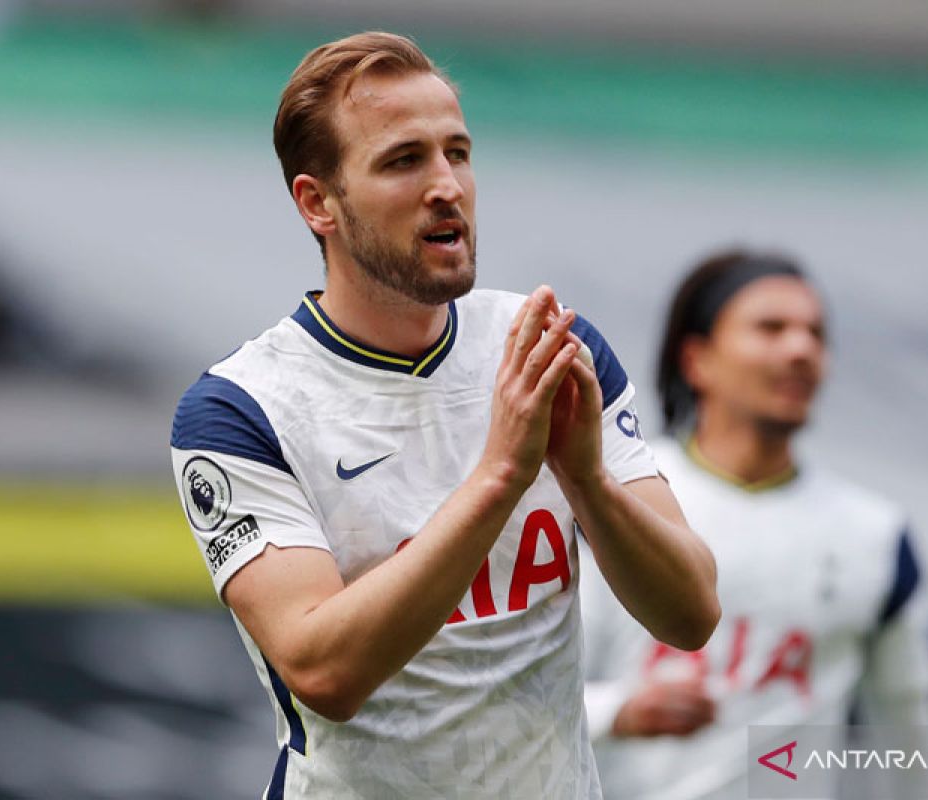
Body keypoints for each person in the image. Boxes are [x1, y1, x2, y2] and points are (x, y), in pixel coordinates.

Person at [169, 31, 719, 799]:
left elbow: (692, 613)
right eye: (403, 160)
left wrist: (586, 479)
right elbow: (324, 671)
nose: (446, 186)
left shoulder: (549, 346)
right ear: (317, 203)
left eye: (456, 152)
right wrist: (500, 476)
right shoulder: (238, 409)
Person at [581, 250, 928, 799]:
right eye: (770, 328)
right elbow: (523, 696)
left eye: (816, 334)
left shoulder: (876, 537)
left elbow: (913, 743)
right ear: (697, 359)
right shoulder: (612, 499)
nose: (801, 349)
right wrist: (619, 712)